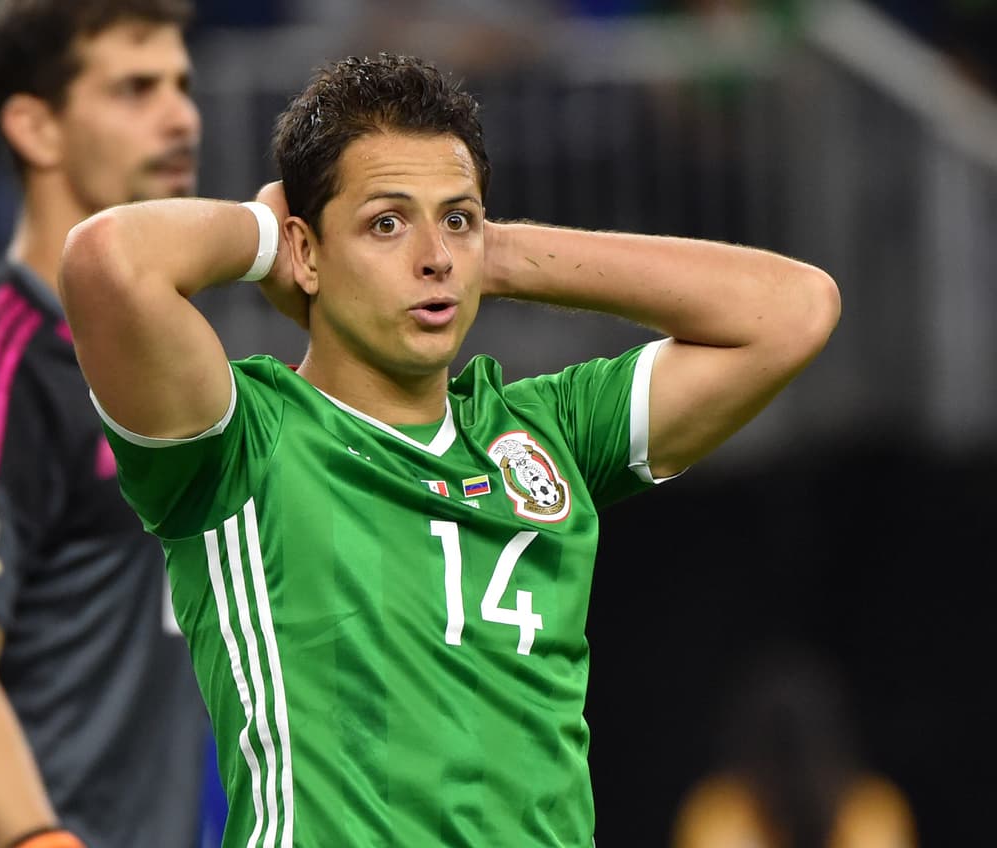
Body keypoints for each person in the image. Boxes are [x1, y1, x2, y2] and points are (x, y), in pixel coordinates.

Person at [57, 52, 841, 846]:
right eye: (386, 222)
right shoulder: (243, 444)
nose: (433, 256)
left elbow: (792, 310)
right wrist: (269, 235)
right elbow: (109, 262)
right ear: (308, 251)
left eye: (457, 218)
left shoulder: (546, 432)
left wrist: (496, 254)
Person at [0, 2, 220, 847]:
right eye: (135, 89)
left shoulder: (178, 363)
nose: (181, 115)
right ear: (35, 127)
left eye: (182, 84)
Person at [670, 645, 918, 848]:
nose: (791, 772)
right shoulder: (718, 813)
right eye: (776, 753)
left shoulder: (872, 811)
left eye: (803, 752)